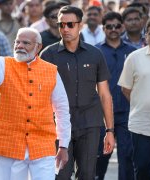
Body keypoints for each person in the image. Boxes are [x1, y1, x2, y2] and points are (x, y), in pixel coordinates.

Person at [0, 15, 71, 180]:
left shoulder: (51, 71)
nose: (19, 46)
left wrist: (63, 144)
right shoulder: (3, 64)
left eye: (26, 43)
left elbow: (62, 109)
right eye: (17, 42)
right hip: (7, 144)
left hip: (42, 143)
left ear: (38, 47)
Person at [40, 5, 115, 179]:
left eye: (70, 24)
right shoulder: (47, 55)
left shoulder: (95, 54)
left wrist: (109, 131)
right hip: (58, 125)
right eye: (61, 24)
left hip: (90, 123)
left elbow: (104, 94)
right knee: (60, 175)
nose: (65, 29)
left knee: (87, 174)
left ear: (80, 25)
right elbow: (39, 93)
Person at [118, 18, 150, 180]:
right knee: (142, 167)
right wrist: (141, 104)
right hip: (141, 122)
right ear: (146, 36)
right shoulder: (134, 58)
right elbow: (126, 88)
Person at [95, 12, 136, 180]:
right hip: (101, 113)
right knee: (100, 157)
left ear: (123, 27)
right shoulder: (95, 52)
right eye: (109, 26)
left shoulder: (133, 53)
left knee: (126, 157)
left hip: (127, 112)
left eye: (117, 26)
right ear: (103, 28)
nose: (113, 29)